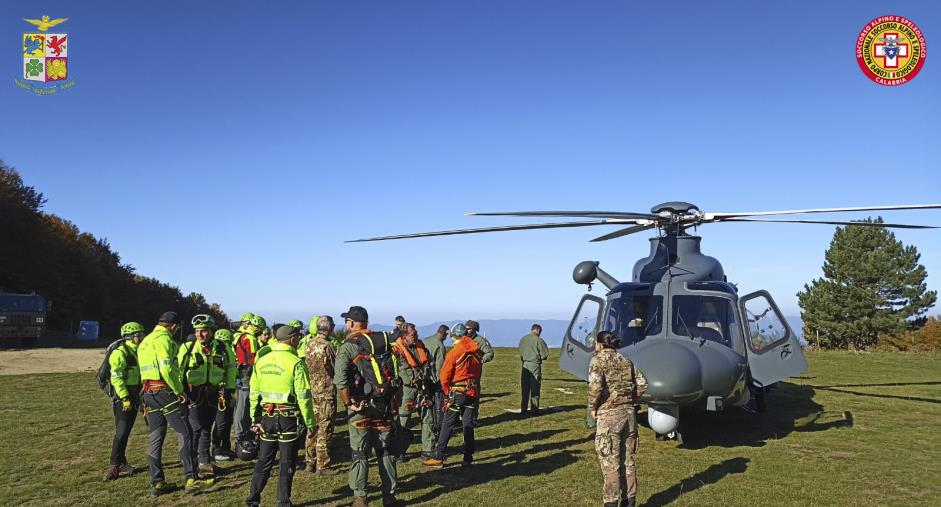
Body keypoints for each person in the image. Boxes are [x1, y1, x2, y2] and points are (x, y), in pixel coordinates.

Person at [138, 311, 212, 495]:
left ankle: (157, 482)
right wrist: (179, 391)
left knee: (156, 437)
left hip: (148, 392)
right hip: (164, 392)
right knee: (186, 433)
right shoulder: (164, 340)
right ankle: (191, 479)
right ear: (173, 326)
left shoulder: (145, 340)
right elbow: (167, 368)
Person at [333, 306, 400, 507]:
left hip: (360, 406)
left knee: (360, 452)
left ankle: (361, 498)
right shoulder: (383, 342)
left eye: (347, 321)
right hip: (384, 405)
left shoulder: (348, 346)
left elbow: (340, 381)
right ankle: (389, 496)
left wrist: (348, 403)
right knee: (385, 450)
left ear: (352, 323)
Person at [245, 325, 316, 507]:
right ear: (292, 339)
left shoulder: (261, 360)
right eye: (298, 336)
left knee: (264, 460)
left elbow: (254, 392)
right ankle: (283, 501)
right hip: (288, 418)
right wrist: (310, 422)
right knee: (287, 461)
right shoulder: (296, 362)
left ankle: (253, 499)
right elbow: (304, 396)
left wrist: (255, 418)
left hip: (267, 417)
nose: (300, 339)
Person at [588, 331, 647, 507]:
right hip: (629, 416)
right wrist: (630, 399)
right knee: (628, 460)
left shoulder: (597, 360)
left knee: (610, 462)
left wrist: (592, 407)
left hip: (609, 416)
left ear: (599, 344)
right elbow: (642, 383)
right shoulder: (625, 360)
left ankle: (611, 502)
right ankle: (629, 501)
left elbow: (595, 387)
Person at [178, 314, 236, 478]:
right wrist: (179, 391)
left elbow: (231, 368)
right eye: (197, 331)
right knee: (194, 430)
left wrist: (229, 390)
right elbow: (178, 371)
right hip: (192, 394)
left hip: (215, 393)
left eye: (203, 331)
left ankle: (205, 463)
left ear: (211, 331)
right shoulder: (187, 348)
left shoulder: (223, 348)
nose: (199, 335)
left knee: (206, 429)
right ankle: (192, 467)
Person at [423, 323, 483, 469]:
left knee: (447, 424)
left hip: (457, 392)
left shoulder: (455, 353)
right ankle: (468, 457)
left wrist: (446, 391)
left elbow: (444, 376)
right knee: (467, 424)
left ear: (454, 336)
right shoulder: (476, 351)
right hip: (472, 391)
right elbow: (478, 372)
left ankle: (438, 456)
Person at [103, 321, 145, 481]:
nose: (141, 337)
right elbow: (117, 377)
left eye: (142, 334)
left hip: (135, 396)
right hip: (124, 398)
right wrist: (125, 398)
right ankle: (113, 466)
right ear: (129, 336)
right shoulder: (120, 353)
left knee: (126, 431)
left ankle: (122, 462)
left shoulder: (139, 351)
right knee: (121, 432)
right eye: (138, 335)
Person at [392, 323, 437, 463]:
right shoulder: (396, 350)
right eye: (413, 333)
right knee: (403, 421)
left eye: (416, 332)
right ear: (404, 336)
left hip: (424, 388)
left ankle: (428, 450)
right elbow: (398, 371)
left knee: (428, 418)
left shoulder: (421, 346)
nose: (416, 334)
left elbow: (429, 361)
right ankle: (399, 452)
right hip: (406, 390)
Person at [304, 315, 340, 475]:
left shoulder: (309, 344)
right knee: (325, 429)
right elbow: (336, 368)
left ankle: (309, 462)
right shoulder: (328, 346)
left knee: (312, 428)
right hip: (326, 392)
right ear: (329, 328)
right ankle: (323, 465)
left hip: (312, 391)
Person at [234, 314, 266, 451]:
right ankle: (241, 434)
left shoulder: (240, 335)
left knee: (241, 403)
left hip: (240, 371)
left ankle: (241, 432)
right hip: (247, 372)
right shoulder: (251, 339)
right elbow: (254, 358)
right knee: (245, 403)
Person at [212, 328, 237, 461]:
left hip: (229, 388)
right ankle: (217, 449)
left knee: (227, 419)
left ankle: (226, 447)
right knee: (221, 420)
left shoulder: (227, 350)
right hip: (223, 389)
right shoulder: (220, 350)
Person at [518, 323, 550, 416]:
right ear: (539, 330)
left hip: (525, 365)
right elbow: (545, 355)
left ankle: (523, 409)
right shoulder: (539, 340)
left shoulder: (523, 339)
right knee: (535, 387)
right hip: (535, 365)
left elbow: (521, 353)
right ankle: (534, 409)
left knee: (525, 388)